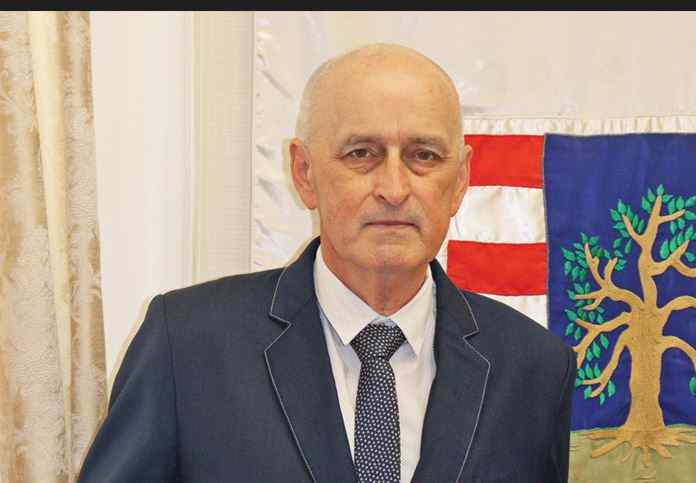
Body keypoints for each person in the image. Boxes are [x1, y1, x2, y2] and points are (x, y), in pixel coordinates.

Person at [78, 43, 575, 483]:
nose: (394, 189)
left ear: (461, 180)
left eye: (423, 156)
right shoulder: (187, 346)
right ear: (304, 173)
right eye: (362, 154)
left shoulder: (533, 368)